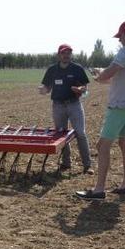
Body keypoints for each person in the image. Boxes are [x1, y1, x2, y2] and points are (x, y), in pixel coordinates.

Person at [76, 20, 125, 200]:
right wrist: (104, 74)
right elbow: (123, 76)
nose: (119, 40)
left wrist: (98, 76)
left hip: (119, 106)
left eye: (121, 36)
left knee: (102, 145)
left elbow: (109, 74)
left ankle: (98, 190)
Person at [38, 44, 93, 174]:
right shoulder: (52, 70)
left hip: (74, 104)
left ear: (71, 55)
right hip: (57, 106)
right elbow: (47, 88)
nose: (66, 55)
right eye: (63, 53)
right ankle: (66, 163)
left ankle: (87, 165)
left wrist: (81, 89)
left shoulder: (77, 69)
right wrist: (42, 90)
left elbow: (85, 89)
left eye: (68, 53)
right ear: (59, 55)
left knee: (80, 133)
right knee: (62, 134)